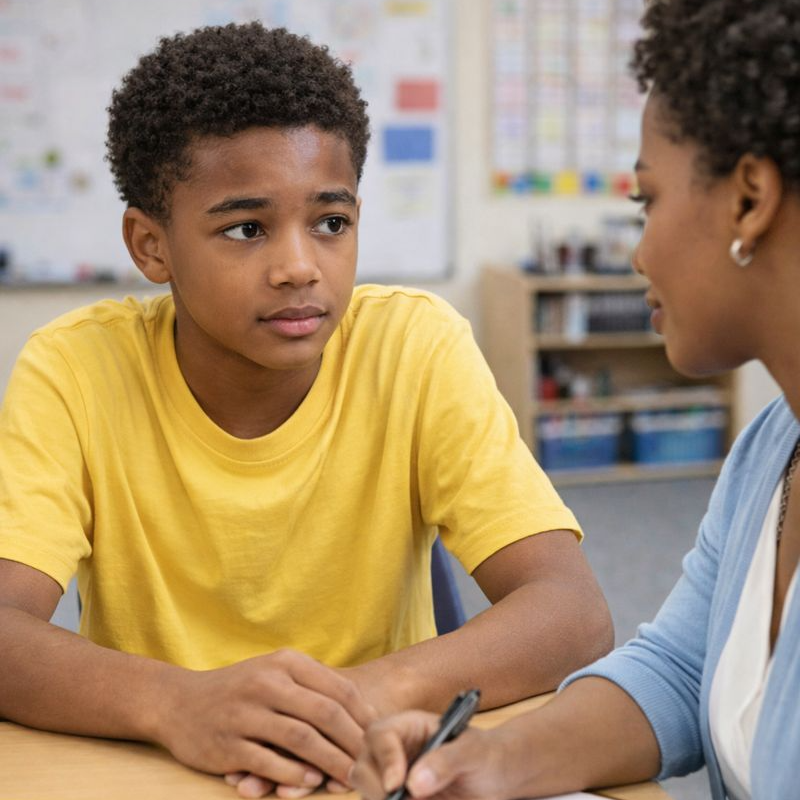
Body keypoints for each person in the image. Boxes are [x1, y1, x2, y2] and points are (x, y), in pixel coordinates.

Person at [0, 22, 613, 800]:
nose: (298, 268)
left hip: (365, 764)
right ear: (151, 246)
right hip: (158, 764)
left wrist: (352, 703)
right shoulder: (75, 369)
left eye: (331, 223)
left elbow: (571, 610)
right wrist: (180, 704)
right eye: (246, 229)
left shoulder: (413, 348)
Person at [350, 2, 800, 799]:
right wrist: (488, 760)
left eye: (646, 202)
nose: (637, 251)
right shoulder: (771, 447)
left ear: (749, 200)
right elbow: (680, 666)